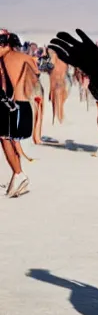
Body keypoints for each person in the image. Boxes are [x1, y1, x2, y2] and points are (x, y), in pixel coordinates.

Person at [0, 30, 40, 197]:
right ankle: (17, 177)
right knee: (10, 138)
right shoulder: (26, 58)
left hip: (11, 105)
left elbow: (4, 87)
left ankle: (19, 174)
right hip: (25, 107)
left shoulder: (2, 61)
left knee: (4, 137)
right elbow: (36, 80)